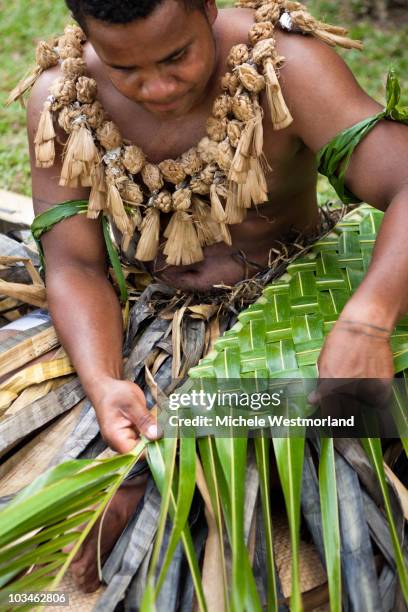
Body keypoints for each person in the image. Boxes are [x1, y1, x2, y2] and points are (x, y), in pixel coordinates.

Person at [21, 0, 408, 593]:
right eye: (124, 68)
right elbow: (73, 263)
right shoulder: (64, 96)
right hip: (163, 321)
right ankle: (159, 476)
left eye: (176, 56)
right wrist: (102, 380)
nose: (156, 87)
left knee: (346, 422)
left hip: (299, 299)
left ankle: (166, 481)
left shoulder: (281, 65)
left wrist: (368, 320)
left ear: (206, 6)